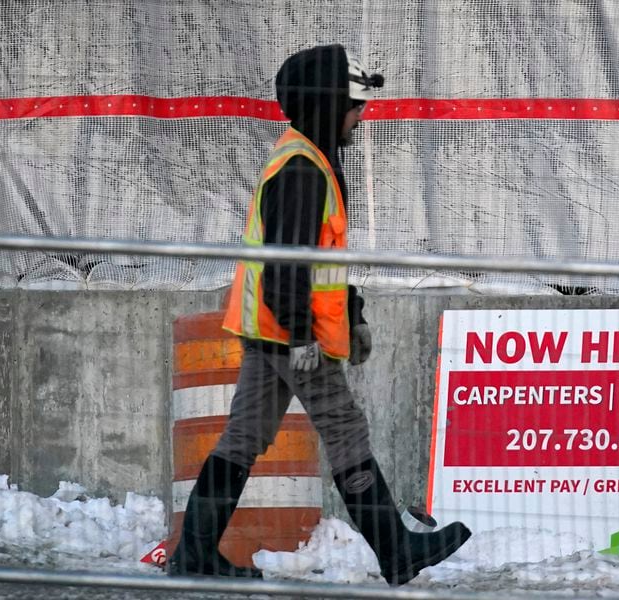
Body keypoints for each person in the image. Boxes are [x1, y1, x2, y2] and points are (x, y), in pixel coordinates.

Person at [167, 44, 471, 585]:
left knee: (242, 439)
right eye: (355, 104)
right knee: (345, 430)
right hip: (292, 335)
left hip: (274, 330)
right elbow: (288, 263)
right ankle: (396, 552)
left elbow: (322, 255)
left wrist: (350, 312)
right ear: (328, 104)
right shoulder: (303, 169)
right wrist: (304, 335)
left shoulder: (309, 159)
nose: (362, 114)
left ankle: (193, 558)